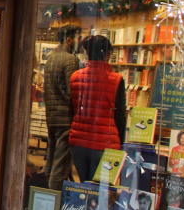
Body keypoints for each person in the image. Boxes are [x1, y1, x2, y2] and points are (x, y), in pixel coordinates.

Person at [69, 35, 126, 183]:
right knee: (102, 191)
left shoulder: (75, 77)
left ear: (87, 53)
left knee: (84, 184)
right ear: (107, 54)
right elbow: (120, 115)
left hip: (78, 142)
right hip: (106, 143)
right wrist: (121, 143)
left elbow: (73, 109)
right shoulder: (116, 79)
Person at [43, 25, 80, 190]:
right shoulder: (70, 60)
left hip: (51, 115)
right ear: (69, 39)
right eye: (77, 38)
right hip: (65, 117)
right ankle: (53, 200)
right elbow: (72, 90)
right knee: (60, 163)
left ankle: (44, 196)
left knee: (51, 160)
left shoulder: (51, 58)